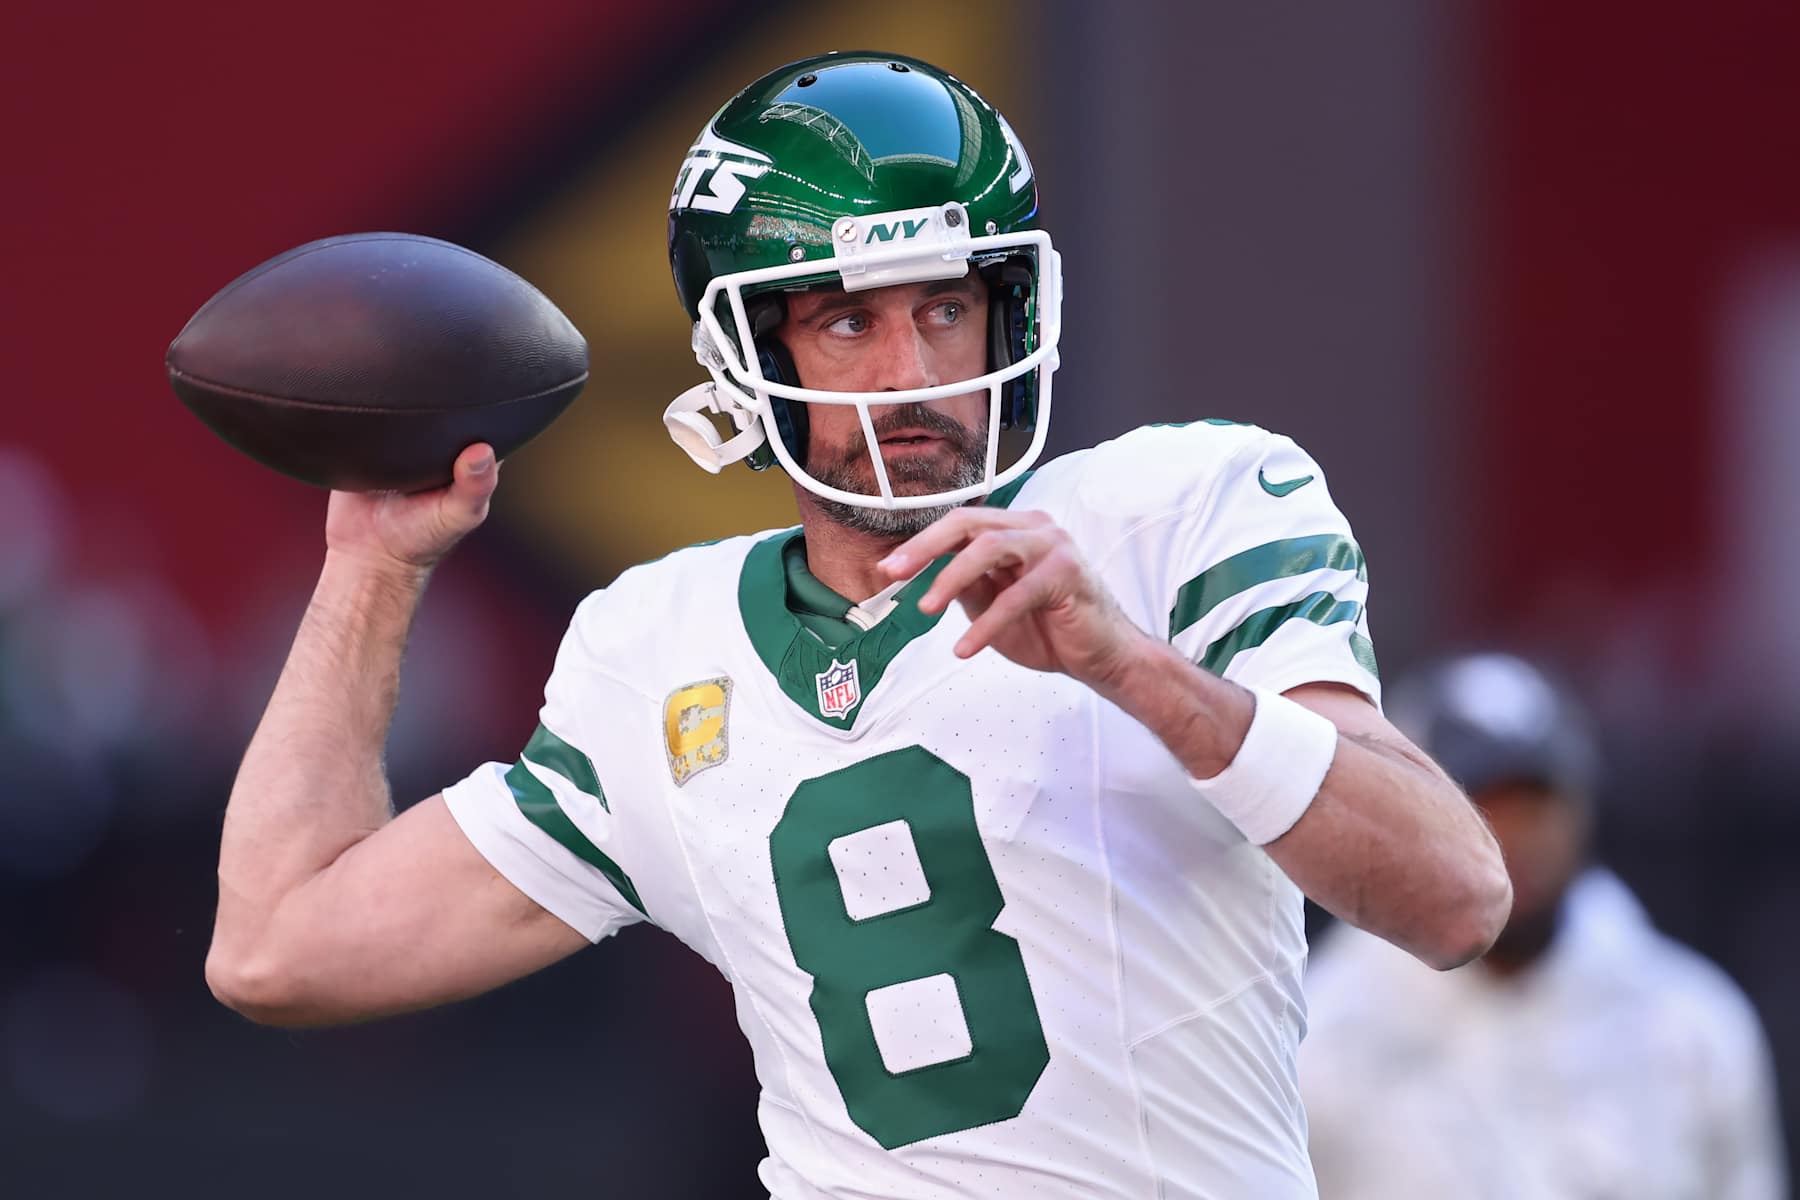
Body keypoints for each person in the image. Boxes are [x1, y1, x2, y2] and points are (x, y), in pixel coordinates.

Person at [204, 51, 1511, 1198]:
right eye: (847, 321)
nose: (917, 374)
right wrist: (371, 566)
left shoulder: (1186, 509)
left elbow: (1456, 896)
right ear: (749, 359)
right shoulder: (657, 649)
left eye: (947, 307)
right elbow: (278, 947)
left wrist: (1137, 671)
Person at [1301, 652, 1787, 1199]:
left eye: (1536, 804)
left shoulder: (1689, 1027)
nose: (1516, 837)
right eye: (1479, 805)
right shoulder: (1320, 1032)